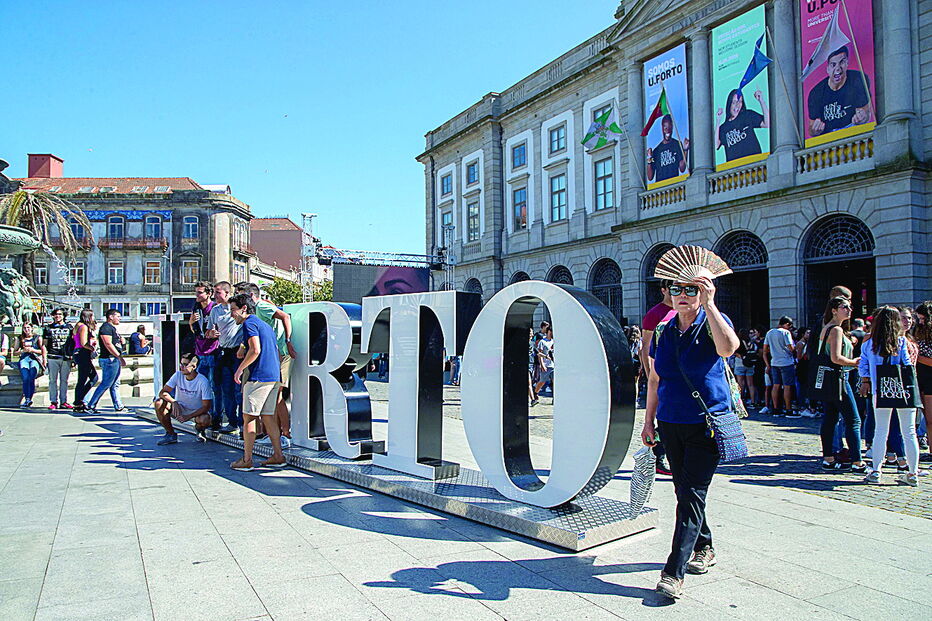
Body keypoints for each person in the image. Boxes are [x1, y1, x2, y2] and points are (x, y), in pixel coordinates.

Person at [642, 274, 739, 599]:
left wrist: (710, 303)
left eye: (691, 289)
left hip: (705, 424)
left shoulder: (713, 322)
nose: (682, 295)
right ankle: (705, 545)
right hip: (671, 423)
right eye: (676, 289)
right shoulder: (664, 331)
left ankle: (673, 572)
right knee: (684, 490)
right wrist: (648, 422)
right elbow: (655, 379)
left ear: (702, 293)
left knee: (692, 493)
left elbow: (729, 349)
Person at [859, 307, 919, 486]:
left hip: (880, 390)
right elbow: (908, 366)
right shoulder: (901, 342)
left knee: (880, 431)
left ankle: (876, 470)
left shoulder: (869, 344)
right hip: (903, 391)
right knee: (909, 432)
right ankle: (912, 473)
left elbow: (863, 368)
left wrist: (867, 382)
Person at [234, 282, 297, 449]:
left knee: (276, 397)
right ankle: (274, 440)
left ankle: (285, 433)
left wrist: (288, 342)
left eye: (241, 296)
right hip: (271, 355)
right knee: (268, 406)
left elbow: (285, 316)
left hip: (279, 354)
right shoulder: (255, 317)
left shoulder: (261, 307)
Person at [228, 294, 286, 471]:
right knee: (268, 417)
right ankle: (278, 455)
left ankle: (247, 459)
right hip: (273, 376)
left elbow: (255, 349)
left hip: (259, 377)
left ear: (243, 309)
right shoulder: (265, 325)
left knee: (249, 417)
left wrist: (240, 369)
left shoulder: (249, 323)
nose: (232, 315)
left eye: (233, 310)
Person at [816, 297, 867, 472]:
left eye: (850, 306)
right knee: (853, 420)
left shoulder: (830, 329)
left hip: (830, 380)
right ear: (834, 310)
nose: (849, 309)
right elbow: (836, 358)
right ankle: (857, 462)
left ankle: (828, 458)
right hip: (839, 378)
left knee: (830, 419)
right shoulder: (835, 330)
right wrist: (855, 362)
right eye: (844, 306)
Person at [641, 281, 675, 475]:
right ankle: (659, 455)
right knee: (662, 415)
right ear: (663, 290)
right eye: (673, 289)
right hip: (660, 373)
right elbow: (646, 347)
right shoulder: (655, 314)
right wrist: (650, 374)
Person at [807, 46, 871, 137]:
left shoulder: (858, 79)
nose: (838, 68)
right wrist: (815, 130)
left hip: (853, 131)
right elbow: (811, 130)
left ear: (847, 63)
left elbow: (867, 112)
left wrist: (863, 117)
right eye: (833, 64)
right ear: (828, 69)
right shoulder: (816, 93)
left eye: (842, 62)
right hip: (828, 137)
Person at [206, 282, 243, 433]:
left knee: (238, 389)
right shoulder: (215, 311)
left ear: (227, 293)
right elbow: (208, 331)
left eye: (218, 292)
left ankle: (242, 424)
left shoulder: (239, 308)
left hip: (238, 352)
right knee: (225, 388)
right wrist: (211, 334)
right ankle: (232, 422)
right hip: (224, 351)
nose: (214, 296)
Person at [154, 353, 213, 446]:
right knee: (159, 403)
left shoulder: (203, 381)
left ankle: (199, 430)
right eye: (181, 364)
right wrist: (173, 402)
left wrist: (188, 416)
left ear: (194, 366)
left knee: (205, 419)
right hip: (179, 408)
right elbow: (163, 392)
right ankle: (170, 434)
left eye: (185, 365)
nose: (182, 367)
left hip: (196, 412)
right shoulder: (178, 375)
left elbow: (206, 406)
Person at [86, 309, 127, 413]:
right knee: (106, 383)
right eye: (118, 316)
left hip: (113, 358)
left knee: (114, 384)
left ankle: (118, 405)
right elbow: (108, 344)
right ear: (111, 317)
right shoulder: (106, 328)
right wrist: (119, 356)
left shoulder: (112, 328)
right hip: (110, 359)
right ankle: (91, 405)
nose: (119, 318)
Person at [715, 88, 769, 163]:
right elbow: (716, 145)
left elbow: (767, 123)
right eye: (734, 102)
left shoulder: (747, 115)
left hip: (754, 164)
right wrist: (718, 121)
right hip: (735, 170)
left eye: (740, 102)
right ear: (729, 104)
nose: (737, 105)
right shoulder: (724, 127)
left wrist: (761, 101)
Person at [763, 316, 797, 417]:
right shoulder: (786, 333)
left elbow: (765, 348)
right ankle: (788, 409)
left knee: (775, 385)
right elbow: (791, 347)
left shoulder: (769, 332)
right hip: (786, 362)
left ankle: (776, 408)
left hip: (774, 362)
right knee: (787, 386)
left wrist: (767, 364)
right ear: (787, 324)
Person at [43, 308, 74, 410]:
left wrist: (73, 357)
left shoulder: (69, 327)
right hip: (53, 356)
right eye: (56, 314)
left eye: (60, 314)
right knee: (52, 380)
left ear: (64, 315)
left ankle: (63, 401)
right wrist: (44, 357)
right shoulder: (48, 328)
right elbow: (45, 344)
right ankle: (53, 401)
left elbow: (73, 343)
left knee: (64, 380)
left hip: (66, 357)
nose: (58, 316)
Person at [646, 115, 689, 183]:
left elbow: (682, 168)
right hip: (660, 188)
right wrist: (649, 159)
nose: (667, 130)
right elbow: (650, 177)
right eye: (665, 127)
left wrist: (685, 150)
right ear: (662, 128)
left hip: (674, 184)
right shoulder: (656, 150)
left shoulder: (677, 144)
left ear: (672, 127)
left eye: (669, 127)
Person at [72, 309, 98, 412]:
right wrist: (92, 348)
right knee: (93, 378)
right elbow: (83, 343)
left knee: (82, 379)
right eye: (92, 316)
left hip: (78, 353)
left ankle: (78, 402)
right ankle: (78, 401)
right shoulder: (83, 327)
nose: (93, 318)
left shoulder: (77, 325)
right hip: (82, 353)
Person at [15, 323, 45, 407]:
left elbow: (42, 350)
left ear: (32, 328)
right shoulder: (20, 338)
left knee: (32, 376)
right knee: (25, 377)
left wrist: (33, 350)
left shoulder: (37, 338)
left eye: (28, 327)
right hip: (24, 358)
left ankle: (29, 398)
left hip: (34, 358)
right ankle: (27, 398)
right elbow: (14, 352)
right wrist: (22, 351)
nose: (26, 330)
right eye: (24, 328)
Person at [732, 329, 758, 409]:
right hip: (749, 363)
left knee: (740, 383)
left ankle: (741, 401)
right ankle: (753, 401)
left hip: (740, 362)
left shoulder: (738, 341)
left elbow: (734, 352)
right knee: (750, 384)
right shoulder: (751, 342)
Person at [794, 327, 813, 417]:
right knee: (802, 388)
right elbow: (799, 357)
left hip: (807, 367)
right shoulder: (801, 343)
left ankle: (807, 406)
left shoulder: (807, 343)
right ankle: (802, 406)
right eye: (807, 333)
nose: (809, 335)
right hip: (802, 367)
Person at [533, 325, 555, 402]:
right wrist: (542, 364)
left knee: (554, 381)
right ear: (549, 331)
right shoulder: (542, 342)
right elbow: (540, 354)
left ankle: (554, 397)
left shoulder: (554, 341)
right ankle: (535, 392)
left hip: (553, 365)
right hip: (546, 364)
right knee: (542, 381)